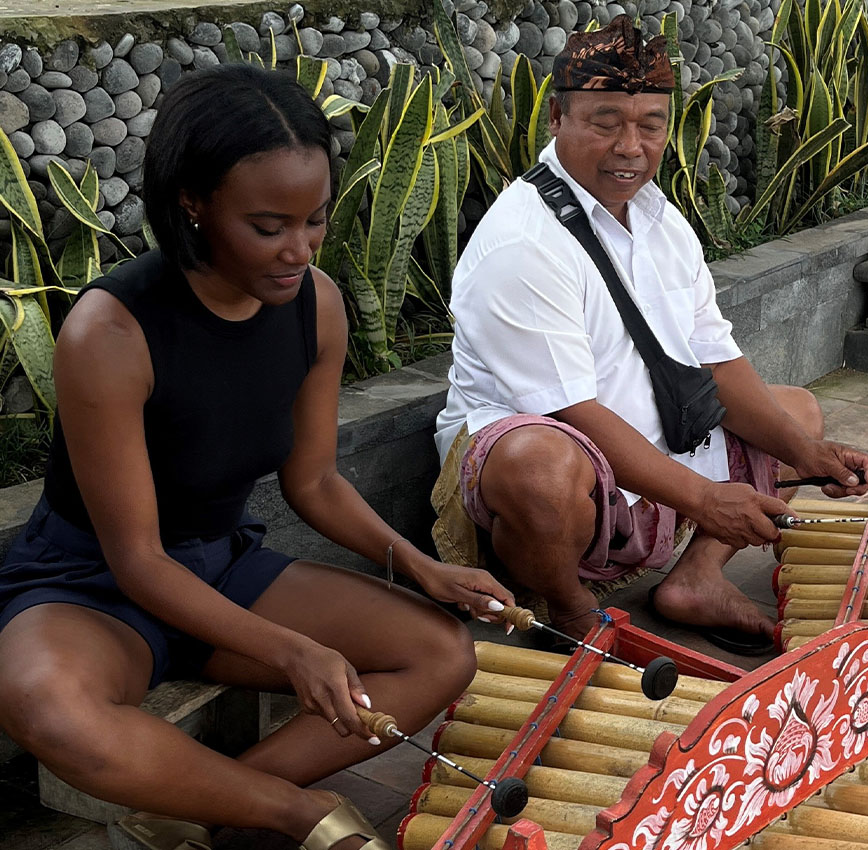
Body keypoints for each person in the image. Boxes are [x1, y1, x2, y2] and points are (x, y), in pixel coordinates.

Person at [0, 64, 513, 850]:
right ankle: (295, 812)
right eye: (268, 226)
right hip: (92, 583)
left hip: (217, 565)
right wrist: (292, 649)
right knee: (44, 705)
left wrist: (421, 566)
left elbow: (311, 481)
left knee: (439, 653)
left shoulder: (318, 305)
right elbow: (136, 558)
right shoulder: (110, 332)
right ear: (193, 204)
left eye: (315, 221)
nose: (298, 250)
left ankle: (196, 810)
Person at [431, 16, 868, 655]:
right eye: (606, 122)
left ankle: (693, 581)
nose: (630, 146)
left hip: (645, 431)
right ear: (555, 117)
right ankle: (570, 609)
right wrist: (702, 497)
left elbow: (716, 358)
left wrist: (807, 456)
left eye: (650, 125)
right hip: (549, 451)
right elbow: (571, 409)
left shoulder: (660, 220)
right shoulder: (523, 243)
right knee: (542, 470)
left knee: (796, 414)